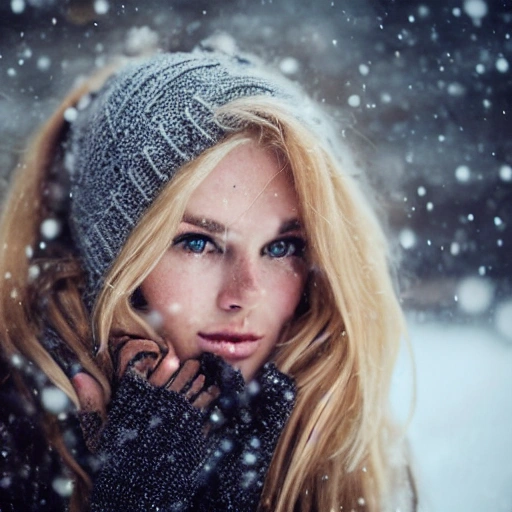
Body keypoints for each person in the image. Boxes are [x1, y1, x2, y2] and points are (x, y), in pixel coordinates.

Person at [0, 50, 416, 511]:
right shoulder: (15, 440)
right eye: (197, 243)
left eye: (282, 247)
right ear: (109, 258)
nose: (245, 294)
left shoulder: (335, 437)